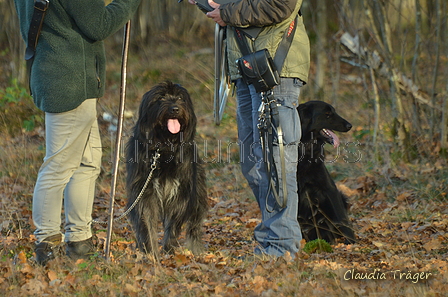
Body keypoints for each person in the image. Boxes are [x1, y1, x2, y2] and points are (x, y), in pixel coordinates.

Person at [13, 0, 141, 265]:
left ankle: (79, 240)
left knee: (87, 163)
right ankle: (47, 243)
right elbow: (99, 25)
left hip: (60, 76)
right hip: (68, 81)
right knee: (59, 165)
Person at [190, 0, 310, 258]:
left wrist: (227, 11)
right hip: (246, 66)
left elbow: (280, 5)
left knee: (275, 160)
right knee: (254, 163)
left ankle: (282, 247)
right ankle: (272, 239)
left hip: (276, 64)